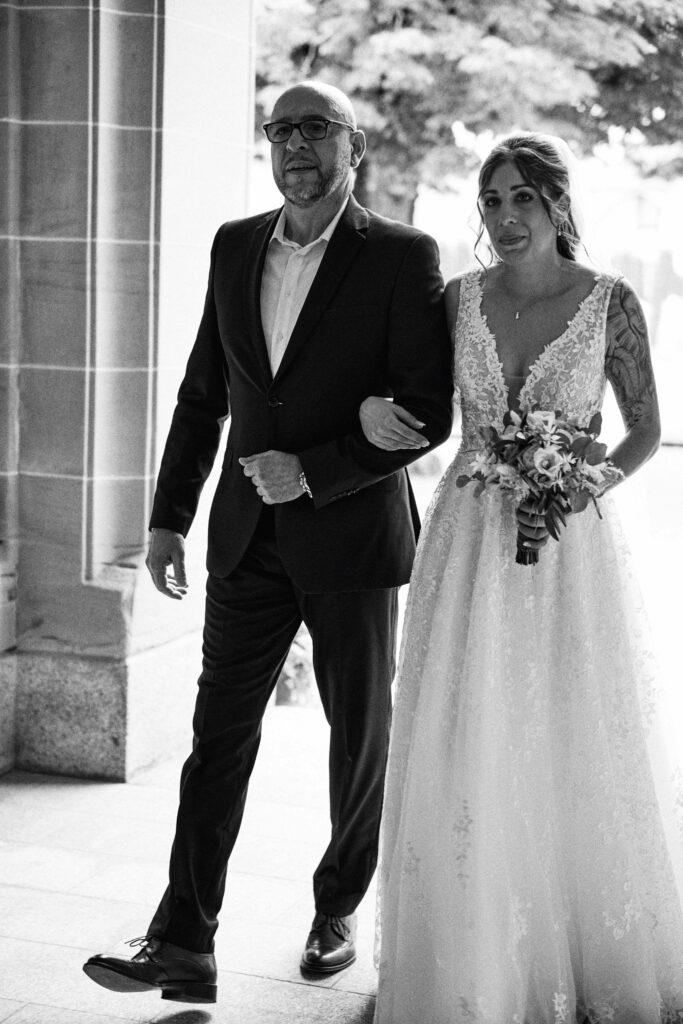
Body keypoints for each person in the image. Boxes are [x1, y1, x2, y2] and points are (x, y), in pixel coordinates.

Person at [81, 82, 453, 1005]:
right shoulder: (234, 244)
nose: (295, 145)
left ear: (353, 146)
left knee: (357, 738)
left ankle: (337, 910)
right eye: (281, 129)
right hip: (246, 539)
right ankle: (183, 942)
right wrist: (168, 516)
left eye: (316, 129)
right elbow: (203, 393)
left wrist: (316, 470)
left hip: (353, 540)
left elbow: (426, 411)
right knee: (217, 738)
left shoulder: (401, 255)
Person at [361, 134, 683, 1021]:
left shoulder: (610, 302)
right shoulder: (456, 299)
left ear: (556, 205)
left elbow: (644, 431)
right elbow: (418, 400)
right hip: (465, 543)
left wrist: (574, 489)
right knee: (463, 726)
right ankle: (471, 957)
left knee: (570, 728)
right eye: (492, 201)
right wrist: (370, 408)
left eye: (522, 199)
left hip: (569, 552)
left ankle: (581, 944)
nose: (504, 218)